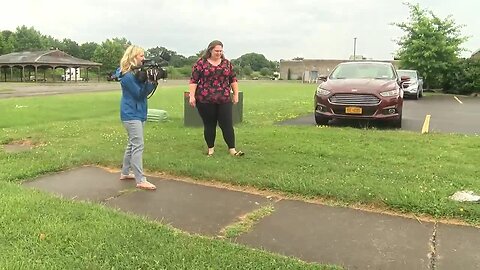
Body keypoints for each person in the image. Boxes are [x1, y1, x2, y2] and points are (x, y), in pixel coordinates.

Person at [188, 40, 244, 157]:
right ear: (210, 50)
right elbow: (193, 81)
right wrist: (192, 96)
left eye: (220, 51)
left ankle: (232, 149)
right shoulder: (201, 63)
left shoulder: (227, 64)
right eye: (216, 51)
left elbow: (233, 79)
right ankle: (210, 149)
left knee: (227, 124)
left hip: (224, 98)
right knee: (209, 124)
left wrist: (236, 94)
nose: (218, 53)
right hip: (205, 99)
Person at [118, 45, 157, 190]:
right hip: (131, 114)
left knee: (132, 144)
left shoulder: (135, 74)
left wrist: (151, 80)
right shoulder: (127, 76)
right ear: (133, 57)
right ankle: (141, 180)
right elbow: (139, 94)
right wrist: (150, 82)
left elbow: (142, 93)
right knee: (138, 145)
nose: (144, 58)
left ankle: (125, 172)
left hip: (138, 113)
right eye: (141, 56)